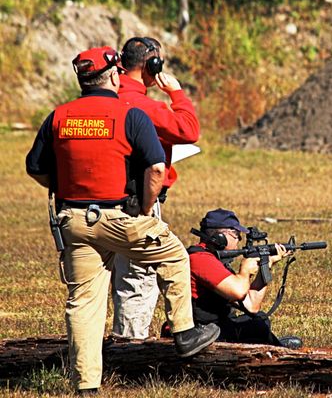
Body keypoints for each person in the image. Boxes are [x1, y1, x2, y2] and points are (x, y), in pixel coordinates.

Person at [25, 46, 219, 395]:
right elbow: (156, 167)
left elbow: (35, 168)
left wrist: (67, 186)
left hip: (75, 221)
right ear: (114, 75)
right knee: (175, 256)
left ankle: (86, 386)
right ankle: (185, 333)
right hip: (120, 216)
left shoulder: (59, 116)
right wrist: (145, 211)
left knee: (84, 303)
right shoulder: (129, 114)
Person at [111, 36, 201, 339]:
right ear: (153, 64)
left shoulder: (103, 99)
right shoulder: (143, 105)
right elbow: (189, 130)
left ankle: (93, 352)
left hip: (95, 203)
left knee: (97, 282)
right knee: (138, 278)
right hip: (138, 201)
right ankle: (129, 351)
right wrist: (176, 92)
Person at [163, 208, 303, 349]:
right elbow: (238, 291)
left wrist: (266, 266)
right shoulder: (200, 259)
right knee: (257, 327)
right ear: (220, 237)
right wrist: (245, 271)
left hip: (211, 327)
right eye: (235, 234)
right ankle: (276, 348)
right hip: (198, 332)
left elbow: (252, 306)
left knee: (260, 319)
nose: (239, 239)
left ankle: (272, 345)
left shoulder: (214, 259)